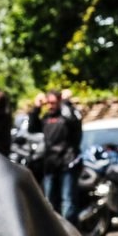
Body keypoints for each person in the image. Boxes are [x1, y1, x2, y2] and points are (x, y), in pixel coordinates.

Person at [29, 90, 83, 223]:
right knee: (49, 202)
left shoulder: (67, 117)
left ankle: (69, 231)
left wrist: (67, 103)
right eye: (48, 103)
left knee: (67, 201)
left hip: (67, 162)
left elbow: (75, 123)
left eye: (53, 103)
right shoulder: (46, 118)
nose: (50, 106)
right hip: (50, 164)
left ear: (59, 101)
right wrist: (36, 107)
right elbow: (32, 128)